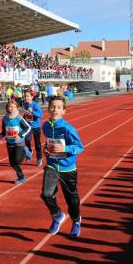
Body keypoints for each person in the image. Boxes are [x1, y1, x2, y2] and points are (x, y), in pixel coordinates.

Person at [41, 96, 84, 237]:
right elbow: (48, 143)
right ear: (48, 109)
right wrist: (46, 150)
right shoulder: (46, 126)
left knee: (71, 200)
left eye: (59, 107)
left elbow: (79, 147)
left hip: (68, 168)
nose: (55, 109)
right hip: (52, 165)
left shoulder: (68, 129)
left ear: (64, 111)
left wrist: (65, 149)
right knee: (46, 194)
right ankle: (57, 215)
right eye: (52, 106)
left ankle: (76, 221)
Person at [0, 101, 31, 184]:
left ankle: (25, 150)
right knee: (12, 163)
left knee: (17, 160)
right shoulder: (5, 118)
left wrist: (20, 135)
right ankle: (21, 177)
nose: (11, 108)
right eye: (9, 106)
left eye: (13, 106)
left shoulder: (19, 118)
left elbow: (28, 128)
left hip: (18, 142)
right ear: (7, 108)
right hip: (9, 142)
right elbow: (4, 131)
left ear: (16, 108)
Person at [23, 90, 43, 166]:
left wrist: (33, 112)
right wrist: (22, 120)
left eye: (28, 96)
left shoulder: (35, 105)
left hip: (36, 127)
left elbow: (41, 115)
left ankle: (39, 158)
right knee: (27, 139)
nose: (26, 97)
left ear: (32, 97)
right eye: (25, 96)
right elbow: (25, 114)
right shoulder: (25, 104)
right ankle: (30, 151)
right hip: (28, 126)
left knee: (37, 144)